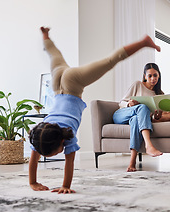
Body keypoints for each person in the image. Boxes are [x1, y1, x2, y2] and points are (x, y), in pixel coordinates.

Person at [28, 27, 161, 193]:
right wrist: (33, 182)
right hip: (57, 84)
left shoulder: (66, 136)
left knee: (109, 61)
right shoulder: (41, 135)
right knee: (54, 55)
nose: (54, 155)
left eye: (54, 153)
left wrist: (65, 187)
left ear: (62, 142)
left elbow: (69, 163)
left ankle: (144, 42)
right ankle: (46, 36)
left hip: (71, 84)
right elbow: (36, 156)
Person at [113, 63, 164, 172]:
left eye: (155, 75)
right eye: (149, 76)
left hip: (136, 119)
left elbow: (153, 117)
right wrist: (129, 104)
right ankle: (149, 145)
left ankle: (132, 162)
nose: (153, 78)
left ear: (159, 75)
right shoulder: (137, 84)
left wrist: (157, 116)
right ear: (145, 76)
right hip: (122, 115)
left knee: (137, 119)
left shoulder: (159, 94)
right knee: (142, 107)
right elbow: (121, 102)